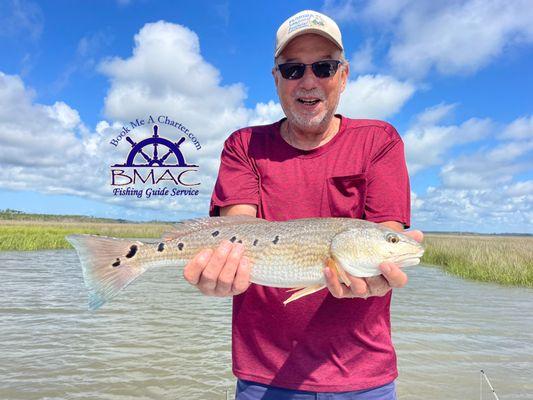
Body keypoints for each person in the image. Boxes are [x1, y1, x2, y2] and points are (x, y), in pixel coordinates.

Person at [183, 9, 423, 400]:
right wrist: (222, 271)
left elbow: (387, 232)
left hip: (364, 376)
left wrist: (388, 258)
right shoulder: (244, 145)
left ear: (343, 76)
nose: (309, 81)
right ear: (276, 78)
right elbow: (238, 231)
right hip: (263, 376)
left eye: (324, 67)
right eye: (293, 70)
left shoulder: (380, 141)